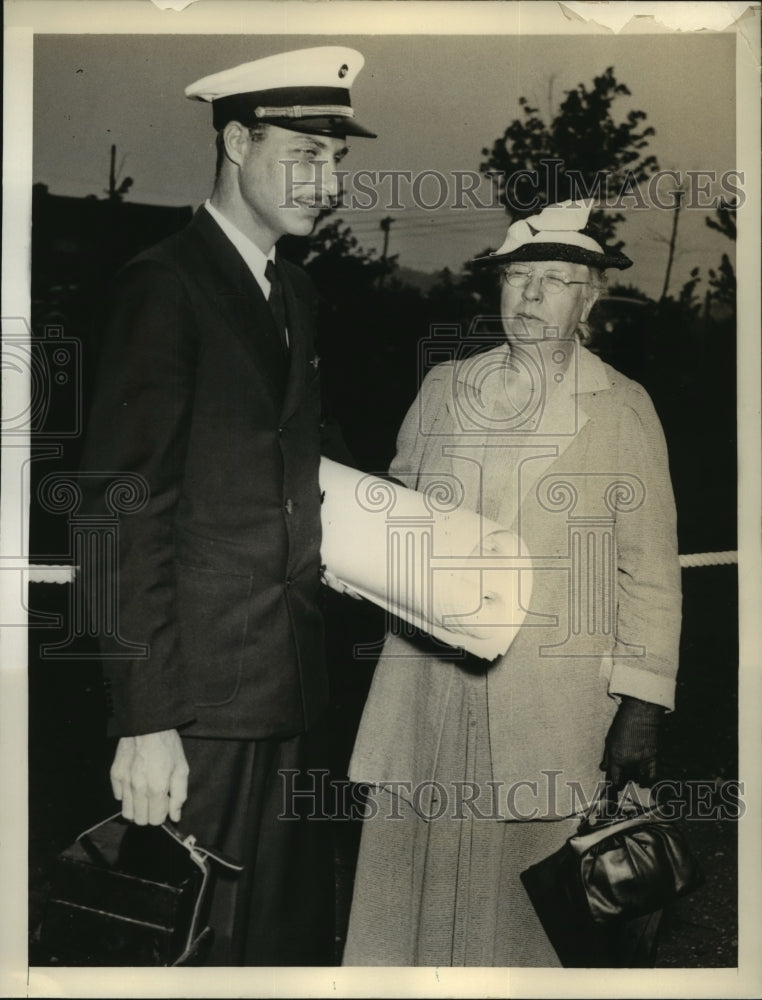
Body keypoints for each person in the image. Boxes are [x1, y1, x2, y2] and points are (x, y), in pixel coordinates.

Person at [79, 46, 376, 965]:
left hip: (286, 687)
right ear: (237, 141)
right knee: (185, 948)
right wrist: (145, 719)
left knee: (275, 947)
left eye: (337, 161)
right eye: (304, 154)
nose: (325, 183)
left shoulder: (292, 288)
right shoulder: (165, 285)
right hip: (196, 704)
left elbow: (299, 457)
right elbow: (117, 517)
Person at [342, 200, 682, 967]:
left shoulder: (622, 408)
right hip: (430, 688)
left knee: (530, 912)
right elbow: (394, 516)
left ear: (588, 298)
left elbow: (652, 572)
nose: (530, 296)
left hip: (552, 698)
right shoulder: (443, 390)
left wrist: (641, 706)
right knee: (408, 894)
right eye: (517, 278)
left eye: (554, 281)